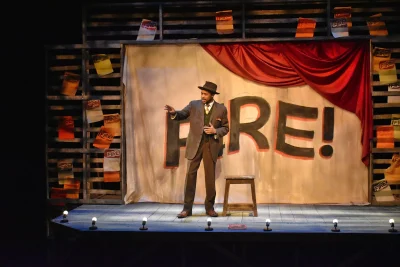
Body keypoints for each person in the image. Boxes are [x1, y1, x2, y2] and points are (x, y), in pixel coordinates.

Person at [164, 81, 229, 218]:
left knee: (210, 178)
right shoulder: (194, 105)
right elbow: (182, 114)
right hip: (195, 145)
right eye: (202, 93)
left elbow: (226, 128)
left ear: (212, 95)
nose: (203, 96)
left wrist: (215, 130)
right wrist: (174, 113)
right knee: (190, 176)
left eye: (205, 94)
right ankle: (187, 209)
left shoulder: (221, 109)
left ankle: (210, 208)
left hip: (210, 145)